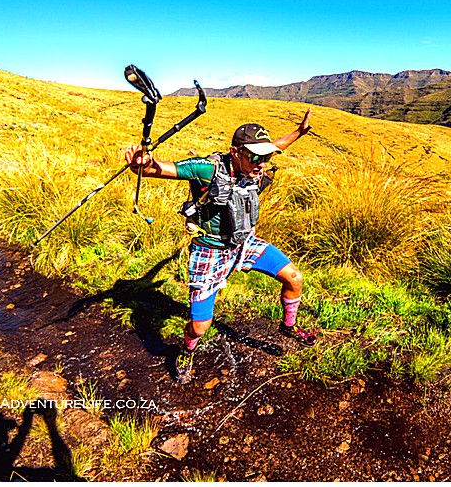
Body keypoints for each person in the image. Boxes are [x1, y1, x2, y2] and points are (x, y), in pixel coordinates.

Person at [124, 109, 316, 384]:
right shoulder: (207, 169)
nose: (262, 163)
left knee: (293, 278)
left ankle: (289, 326)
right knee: (201, 327)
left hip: (243, 243)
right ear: (235, 152)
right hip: (210, 251)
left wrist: (299, 132)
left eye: (266, 157)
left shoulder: (256, 163)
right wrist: (143, 164)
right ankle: (187, 351)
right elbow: (164, 169)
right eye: (255, 156)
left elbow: (277, 146)